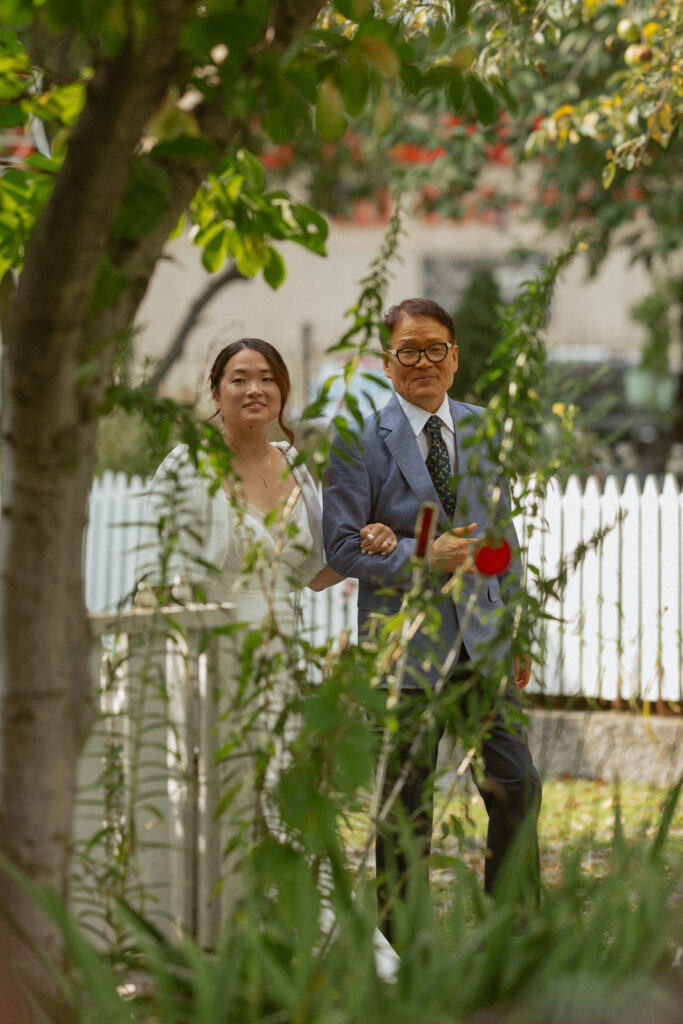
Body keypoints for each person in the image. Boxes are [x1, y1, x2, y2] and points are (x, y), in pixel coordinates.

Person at [136, 338, 397, 922]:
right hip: (207, 658)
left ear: (282, 392)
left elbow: (318, 572)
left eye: (267, 379)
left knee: (280, 791)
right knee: (214, 791)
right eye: (239, 378)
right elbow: (153, 576)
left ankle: (285, 924)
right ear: (216, 392)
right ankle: (208, 923)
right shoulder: (186, 465)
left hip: (283, 659)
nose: (254, 390)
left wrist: (371, 540)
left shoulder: (296, 464)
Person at [322, 298, 541, 947]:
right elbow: (340, 550)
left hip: (483, 643)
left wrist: (518, 627)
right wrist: (424, 555)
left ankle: (513, 926)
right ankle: (401, 940)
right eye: (409, 350)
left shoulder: (479, 427)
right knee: (405, 803)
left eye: (435, 348)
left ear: (454, 355)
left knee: (516, 783)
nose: (424, 361)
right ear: (387, 363)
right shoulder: (357, 439)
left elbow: (503, 541)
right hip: (403, 650)